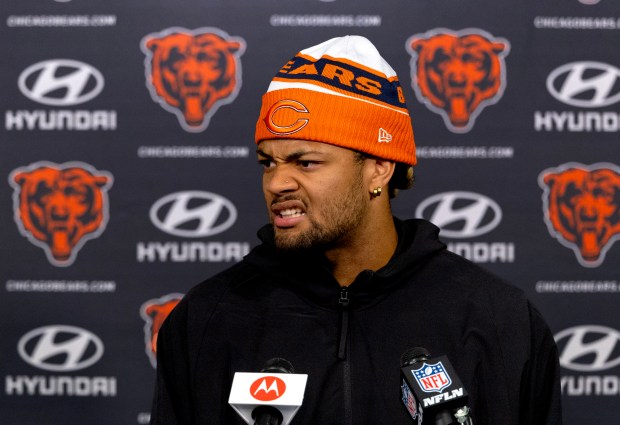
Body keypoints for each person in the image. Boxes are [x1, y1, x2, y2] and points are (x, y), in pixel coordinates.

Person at [150, 35, 562, 425]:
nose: (277, 184)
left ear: (379, 167)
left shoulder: (499, 319)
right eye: (268, 162)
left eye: (305, 161)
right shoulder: (207, 318)